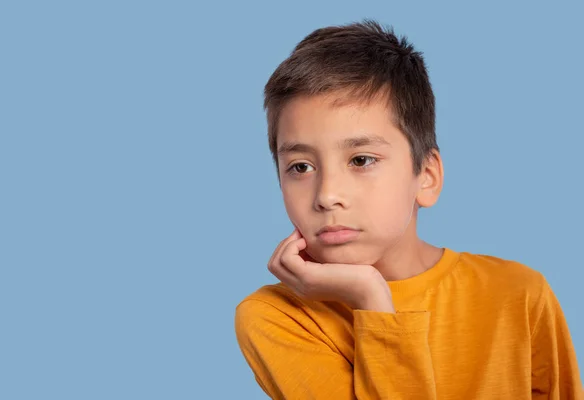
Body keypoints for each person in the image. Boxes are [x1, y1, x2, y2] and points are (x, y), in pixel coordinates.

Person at [234, 19, 583, 399]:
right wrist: (370, 297)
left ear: (427, 176)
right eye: (301, 167)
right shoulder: (276, 317)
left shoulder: (519, 295)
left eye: (361, 160)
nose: (327, 195)